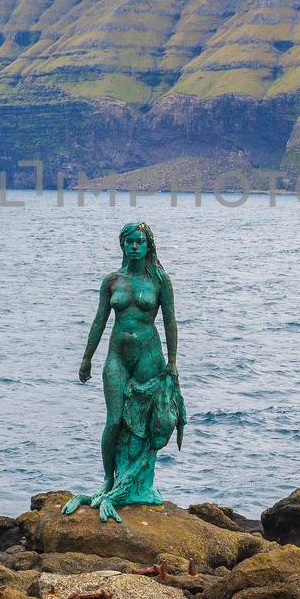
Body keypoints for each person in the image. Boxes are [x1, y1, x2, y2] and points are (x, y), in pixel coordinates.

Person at [62, 221, 186, 522]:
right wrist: (86, 359)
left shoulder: (159, 280)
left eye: (139, 241)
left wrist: (172, 362)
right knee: (115, 420)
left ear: (148, 245)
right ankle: (109, 478)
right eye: (129, 241)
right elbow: (98, 321)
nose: (134, 246)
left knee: (145, 423)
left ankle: (138, 485)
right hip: (117, 355)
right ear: (122, 245)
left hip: (149, 355)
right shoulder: (112, 281)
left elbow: (170, 321)